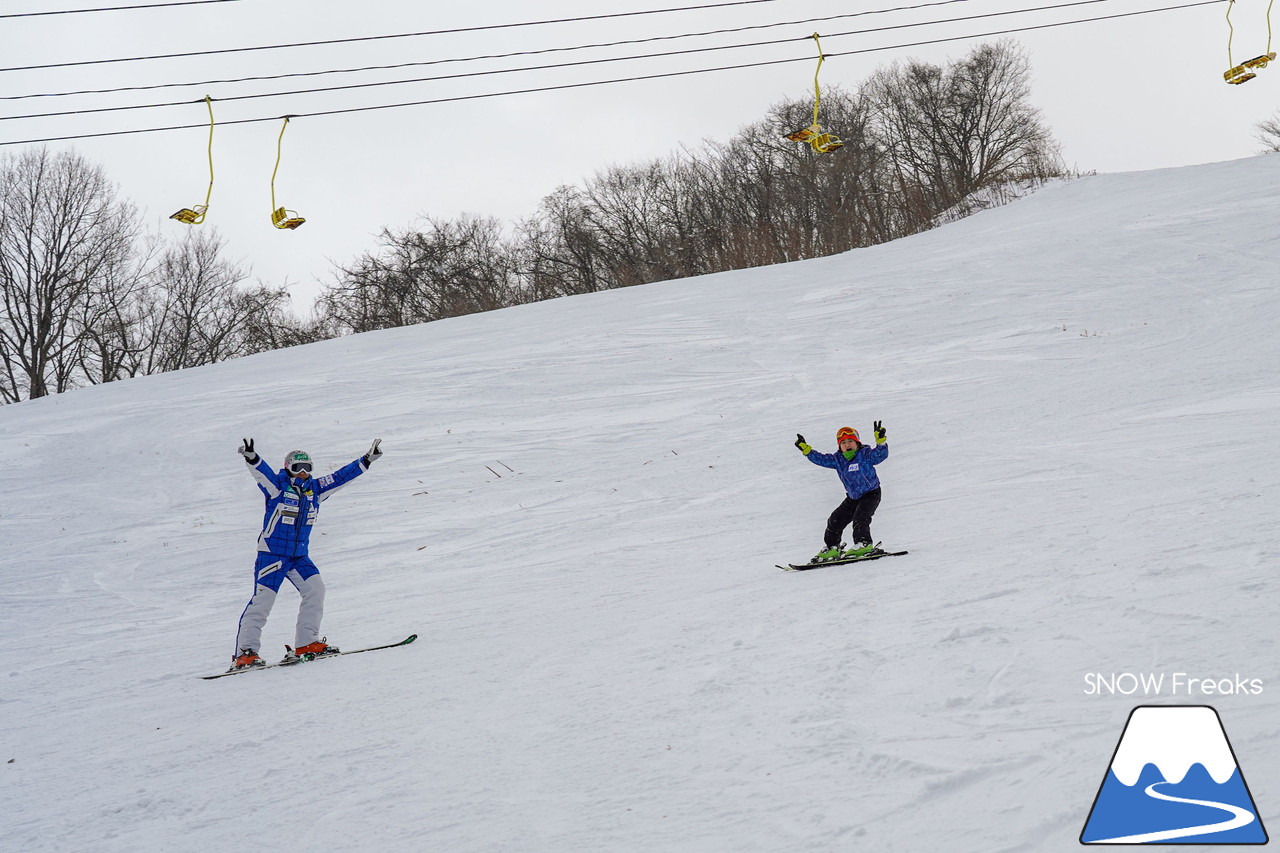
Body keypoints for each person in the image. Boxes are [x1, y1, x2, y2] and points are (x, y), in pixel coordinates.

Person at [228, 437, 384, 671]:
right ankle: (245, 654)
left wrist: (366, 460)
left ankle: (306, 644)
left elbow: (341, 477)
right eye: (297, 468)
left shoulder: (316, 490)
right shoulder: (277, 487)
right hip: (272, 555)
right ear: (288, 468)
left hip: (298, 556)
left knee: (315, 589)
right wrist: (252, 457)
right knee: (263, 601)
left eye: (307, 468)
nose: (302, 472)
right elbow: (263, 473)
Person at [794, 422, 889, 562]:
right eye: (843, 442)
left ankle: (863, 544)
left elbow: (880, 456)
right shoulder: (837, 459)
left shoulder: (865, 454)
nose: (847, 444)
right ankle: (832, 547)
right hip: (853, 498)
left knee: (860, 518)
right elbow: (821, 459)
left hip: (871, 494)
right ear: (840, 446)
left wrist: (881, 442)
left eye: (850, 441)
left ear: (857, 443)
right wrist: (807, 450)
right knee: (835, 520)